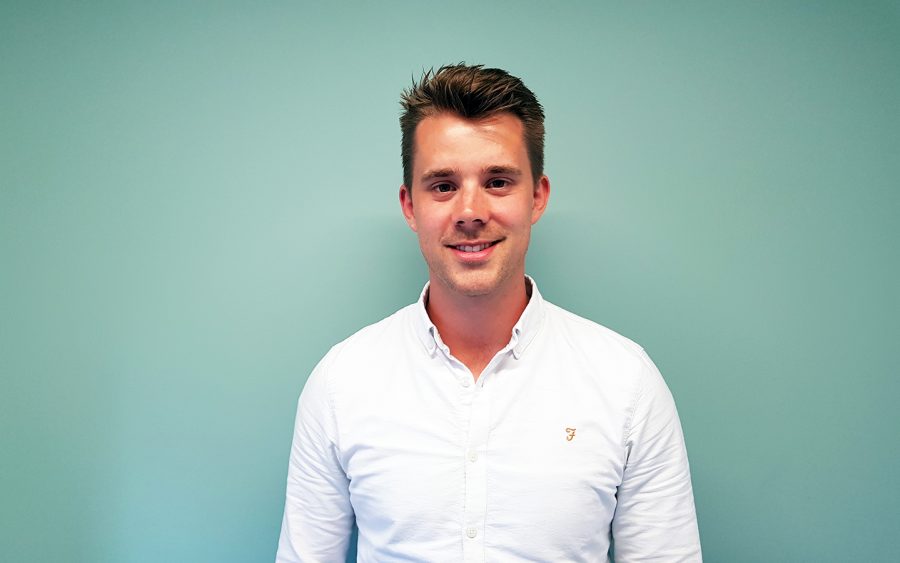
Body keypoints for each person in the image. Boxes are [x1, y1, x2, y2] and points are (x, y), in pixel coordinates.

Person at [276, 64, 701, 562]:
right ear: (410, 206)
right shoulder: (341, 383)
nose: (470, 212)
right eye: (442, 186)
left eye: (498, 181)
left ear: (537, 197)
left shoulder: (626, 383)